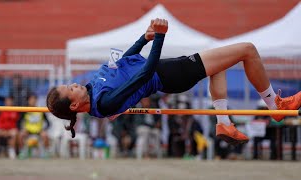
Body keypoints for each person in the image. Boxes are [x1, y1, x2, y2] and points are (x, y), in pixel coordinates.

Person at [46, 18, 301, 145]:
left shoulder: (92, 88)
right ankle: (275, 107)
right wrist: (159, 37)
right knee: (248, 49)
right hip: (170, 75)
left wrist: (143, 39)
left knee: (222, 63)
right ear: (73, 106)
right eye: (70, 89)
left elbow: (123, 62)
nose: (74, 84)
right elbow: (144, 75)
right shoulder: (105, 102)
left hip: (169, 67)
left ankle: (224, 123)